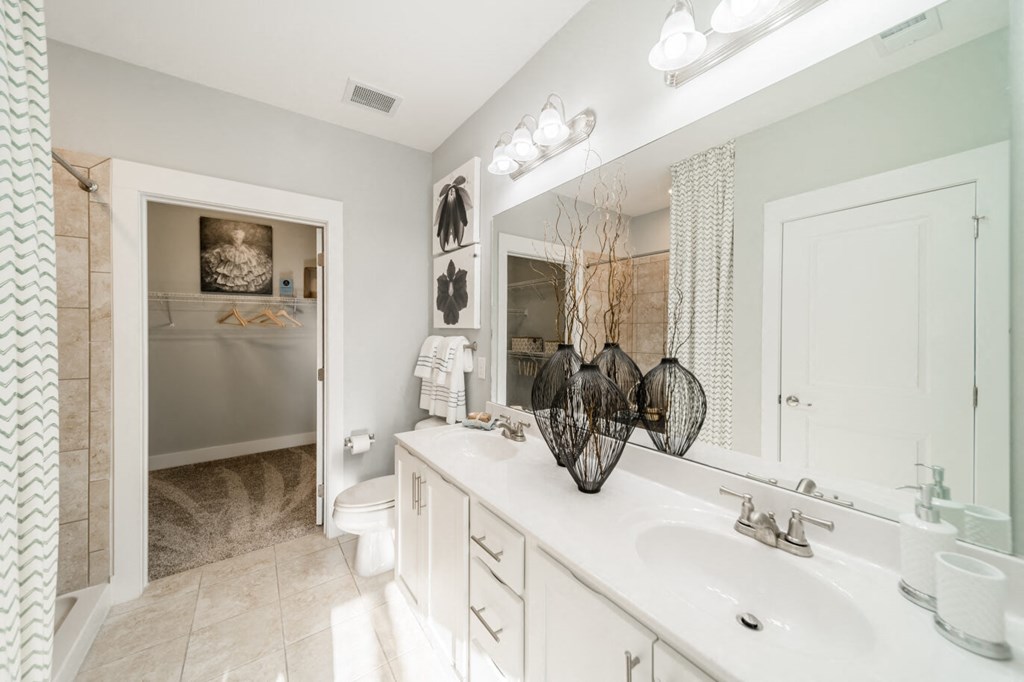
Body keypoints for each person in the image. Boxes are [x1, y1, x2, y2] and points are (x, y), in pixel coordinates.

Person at [201, 226, 273, 293]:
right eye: (235, 236)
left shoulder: (242, 233)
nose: (237, 237)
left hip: (242, 249)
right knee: (229, 267)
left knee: (246, 266)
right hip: (231, 249)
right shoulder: (232, 233)